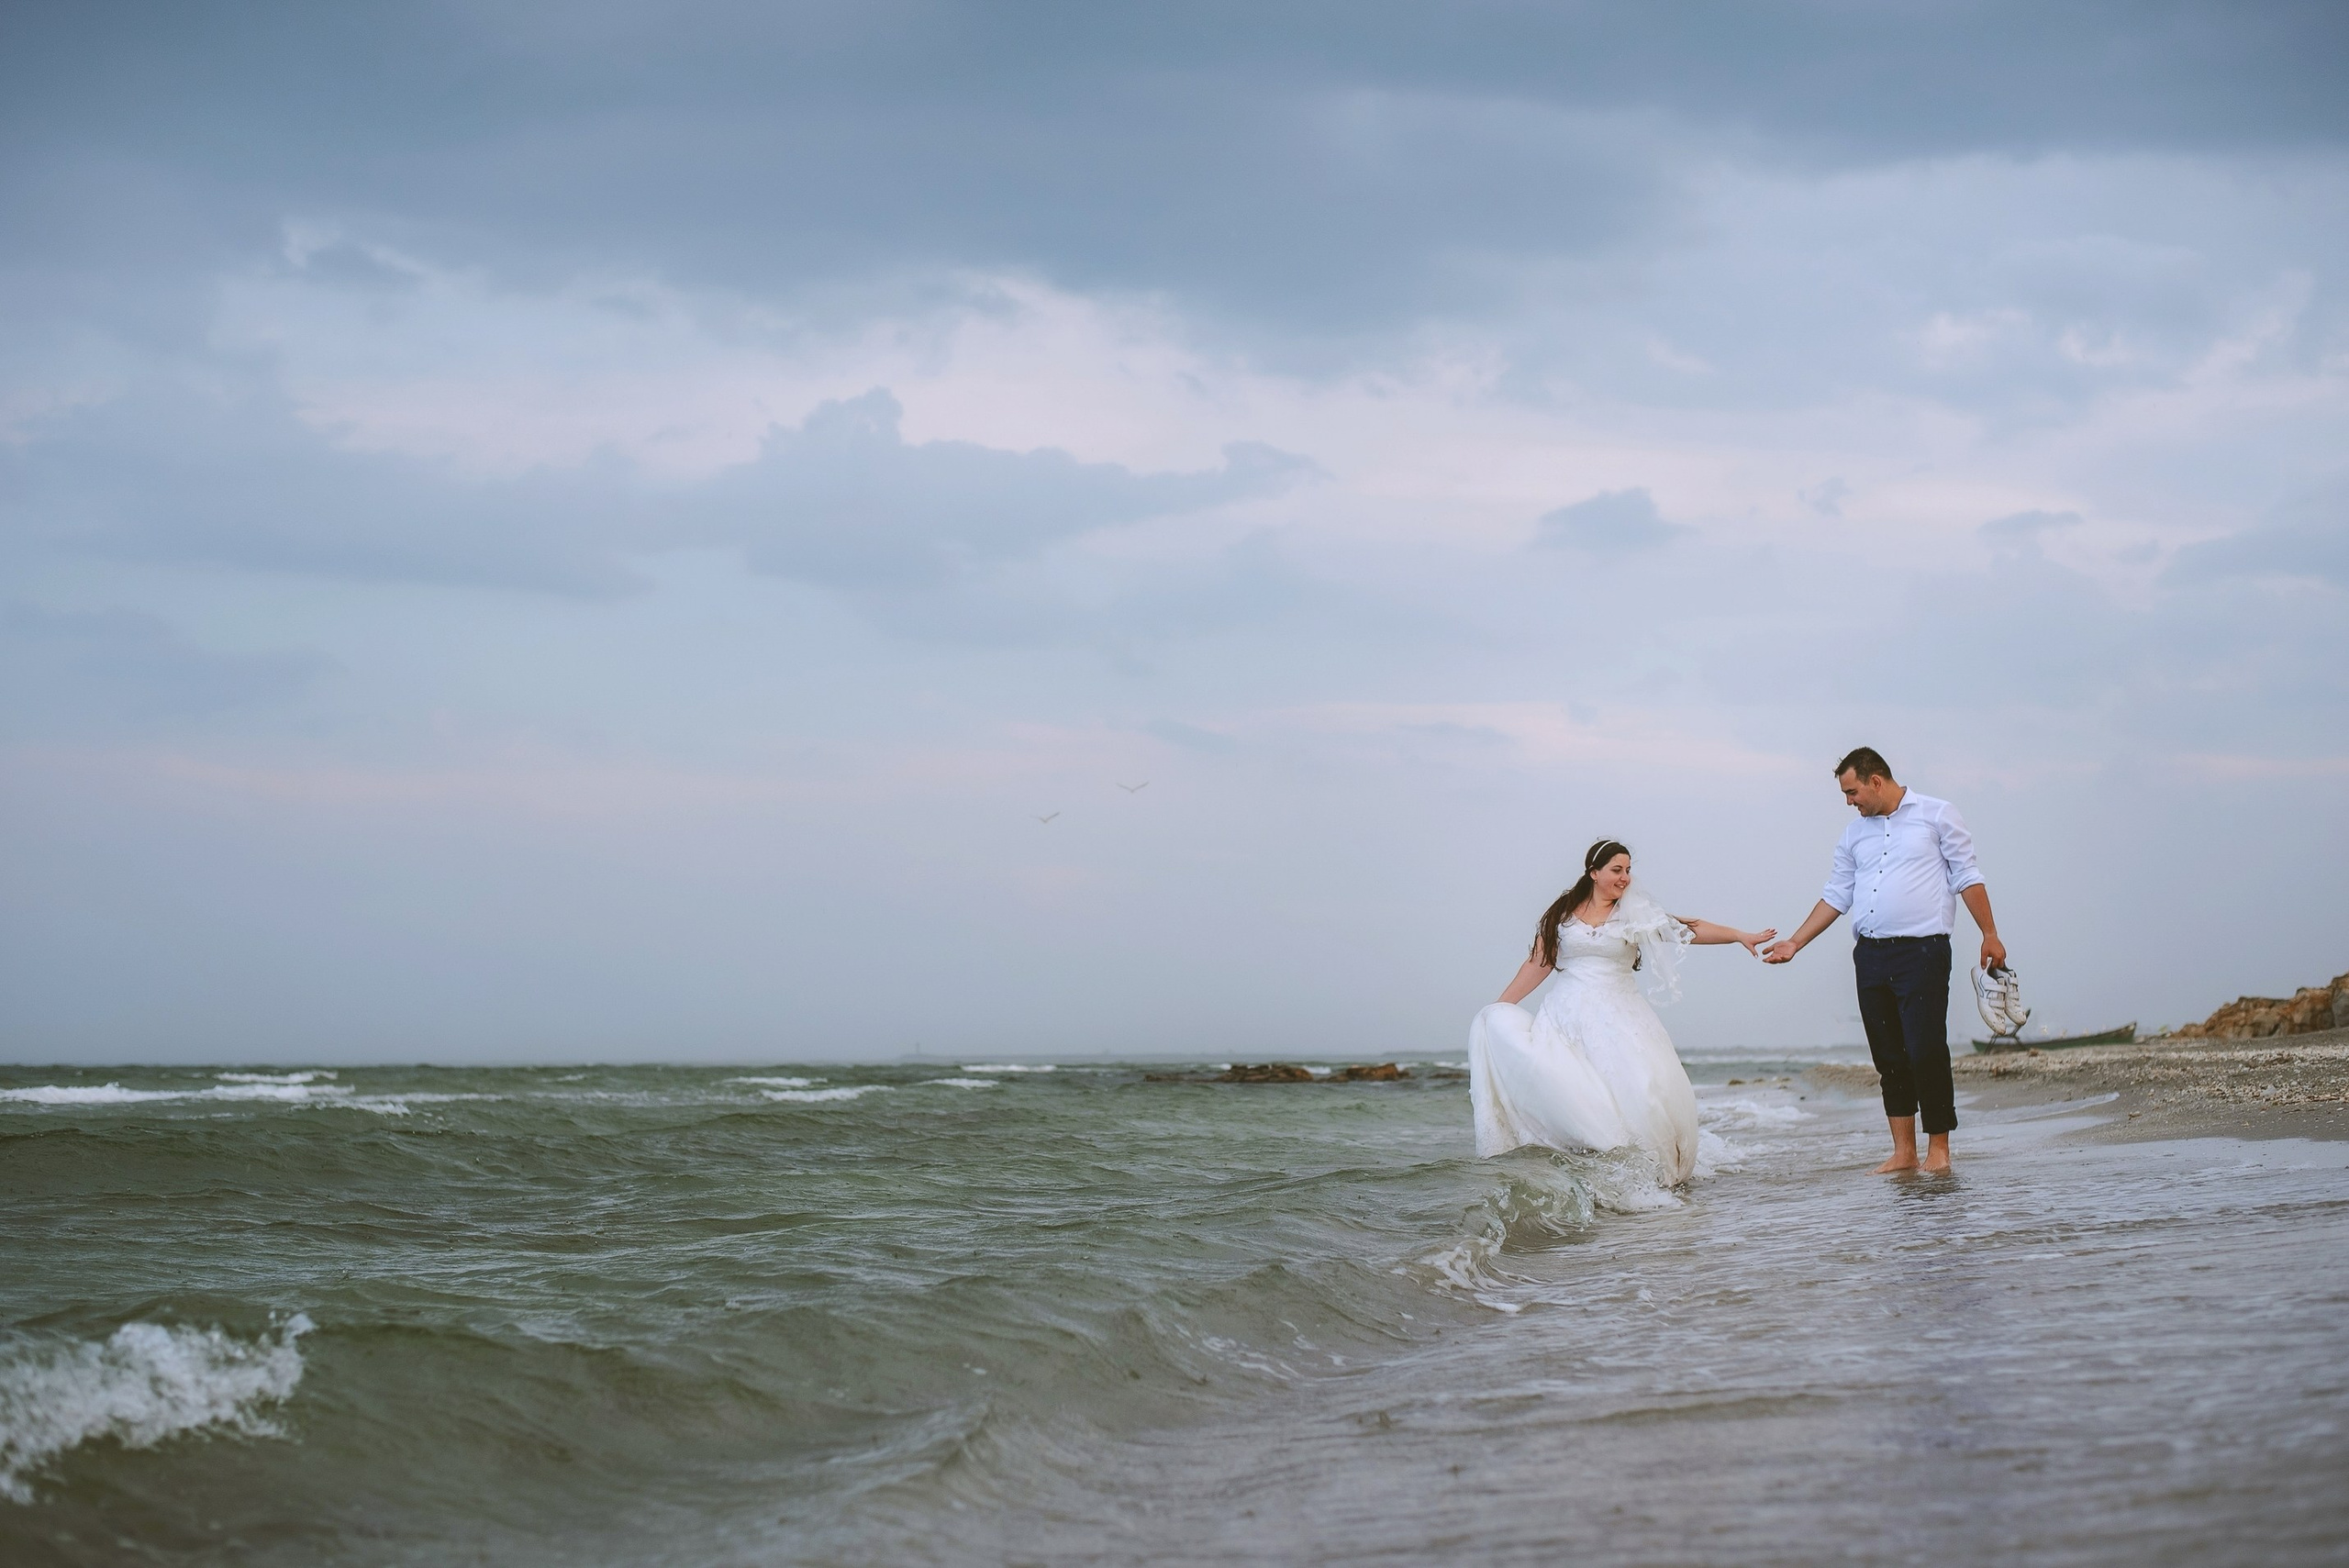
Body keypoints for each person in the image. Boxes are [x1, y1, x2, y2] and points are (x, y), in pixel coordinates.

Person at [1470, 839, 1776, 1184]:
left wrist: (1739, 935)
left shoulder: (1634, 913)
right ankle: (1577, 1169)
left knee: (1641, 1093)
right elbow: (1538, 962)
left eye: (1628, 870)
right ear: (1594, 873)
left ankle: (1642, 1176)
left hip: (1621, 1017)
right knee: (1568, 1090)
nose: (1625, 878)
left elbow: (1689, 929)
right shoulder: (1562, 914)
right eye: (1616, 870)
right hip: (1564, 1018)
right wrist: (1500, 1006)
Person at [1762, 748, 2007, 1175]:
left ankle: (1939, 1151)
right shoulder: (1854, 835)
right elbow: (1836, 895)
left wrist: (1989, 933)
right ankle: (1904, 1152)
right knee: (1889, 1057)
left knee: (1926, 1050)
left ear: (1876, 781)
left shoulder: (1937, 815)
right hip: (1871, 956)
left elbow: (1967, 876)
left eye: (1852, 792)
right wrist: (1795, 943)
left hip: (1923, 951)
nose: (1848, 801)